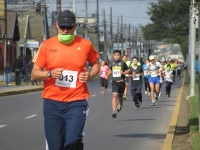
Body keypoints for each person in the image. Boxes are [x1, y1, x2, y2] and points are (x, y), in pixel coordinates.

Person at [31, 10, 100, 150]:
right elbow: (34, 74)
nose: (65, 31)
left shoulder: (85, 45)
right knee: (55, 146)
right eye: (62, 27)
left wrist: (91, 75)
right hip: (52, 103)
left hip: (77, 102)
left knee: (73, 140)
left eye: (69, 27)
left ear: (75, 26)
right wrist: (49, 74)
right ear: (56, 25)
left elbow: (96, 63)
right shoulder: (46, 45)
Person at [107, 50, 129, 118]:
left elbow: (128, 70)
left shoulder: (122, 63)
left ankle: (121, 104)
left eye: (118, 55)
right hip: (114, 82)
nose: (116, 56)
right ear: (113, 56)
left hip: (121, 82)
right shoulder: (112, 63)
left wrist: (123, 73)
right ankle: (114, 111)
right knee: (114, 95)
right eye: (115, 55)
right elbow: (110, 70)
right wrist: (107, 75)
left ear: (120, 56)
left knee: (120, 97)